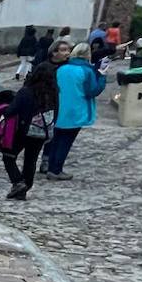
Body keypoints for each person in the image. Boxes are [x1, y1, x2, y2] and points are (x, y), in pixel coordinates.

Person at [46, 42, 106, 181]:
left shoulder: (62, 68)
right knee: (66, 141)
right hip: (76, 110)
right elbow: (92, 91)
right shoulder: (87, 71)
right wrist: (102, 77)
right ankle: (56, 170)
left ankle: (50, 167)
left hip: (60, 108)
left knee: (56, 139)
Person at [0, 64, 56, 200]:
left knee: (8, 156)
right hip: (42, 133)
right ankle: (25, 187)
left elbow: (12, 110)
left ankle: (18, 182)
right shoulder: (53, 94)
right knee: (31, 160)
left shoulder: (26, 91)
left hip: (24, 131)